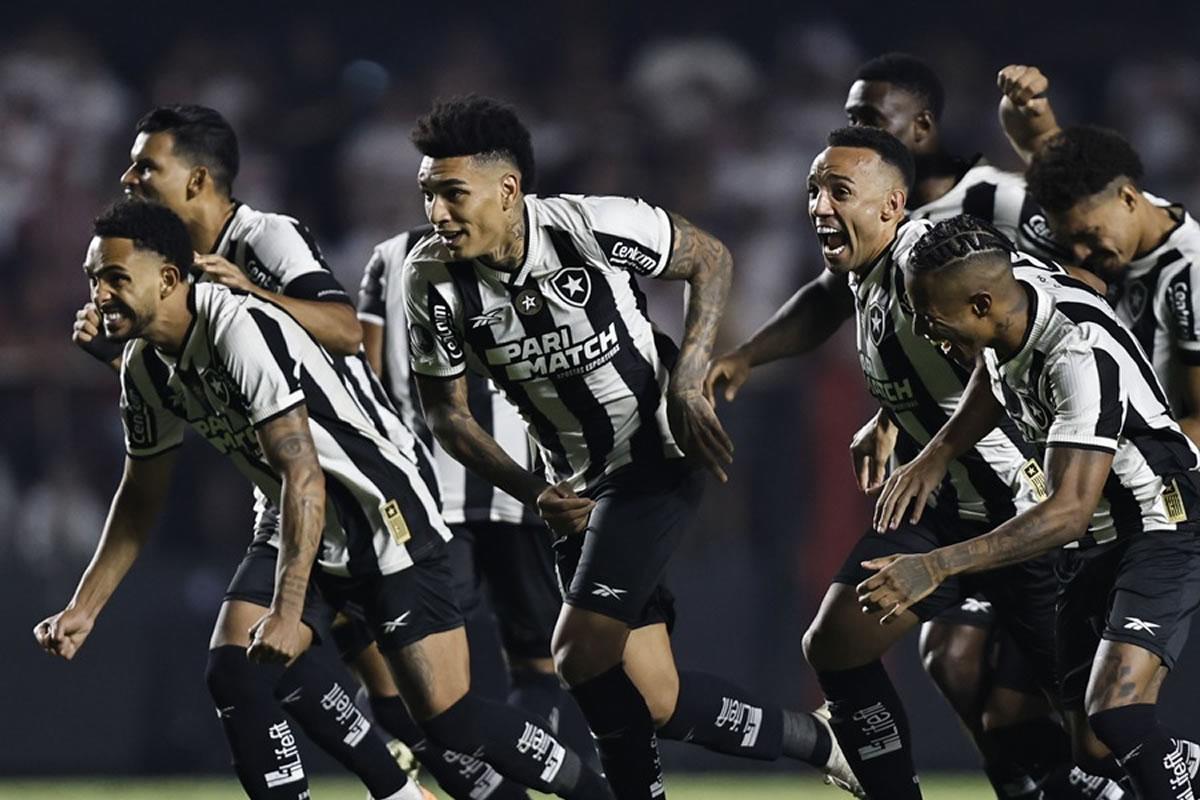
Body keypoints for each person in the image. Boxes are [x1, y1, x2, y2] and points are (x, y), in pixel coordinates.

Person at [35, 199, 613, 800]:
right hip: (290, 517)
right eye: (93, 278)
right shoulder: (143, 369)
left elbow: (303, 469)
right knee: (234, 671)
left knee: (450, 720)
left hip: (380, 516)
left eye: (115, 278)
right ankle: (400, 793)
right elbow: (139, 497)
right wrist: (86, 606)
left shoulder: (238, 327)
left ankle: (595, 792)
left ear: (170, 278)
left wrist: (288, 612)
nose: (98, 294)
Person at [401, 95, 859, 800]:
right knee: (657, 699)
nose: (438, 213)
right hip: (573, 490)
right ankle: (826, 741)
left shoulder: (592, 225)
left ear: (509, 189)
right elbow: (447, 415)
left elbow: (709, 258)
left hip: (653, 458)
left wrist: (690, 378)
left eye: (453, 194)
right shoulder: (429, 278)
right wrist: (534, 492)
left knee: (576, 653)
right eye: (429, 194)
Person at [706, 127, 1069, 800]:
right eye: (813, 190)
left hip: (1021, 514)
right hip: (941, 512)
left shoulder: (925, 267)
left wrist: (931, 450)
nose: (818, 205)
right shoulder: (863, 274)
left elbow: (1004, 358)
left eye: (839, 191)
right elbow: (825, 309)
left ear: (892, 205)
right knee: (837, 643)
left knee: (1091, 721)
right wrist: (752, 359)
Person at [842, 54, 1115, 799]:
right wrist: (892, 417)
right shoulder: (877, 252)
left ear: (920, 126)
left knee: (1093, 725)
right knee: (952, 659)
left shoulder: (995, 203)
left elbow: (1078, 267)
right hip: (963, 479)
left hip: (1044, 471)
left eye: (870, 118)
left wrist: (1042, 129)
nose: (854, 130)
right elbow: (954, 354)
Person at [866, 214, 1200, 799]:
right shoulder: (1011, 295)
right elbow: (995, 378)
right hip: (1092, 542)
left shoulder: (1077, 357)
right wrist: (939, 451)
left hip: (1160, 524)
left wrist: (937, 564)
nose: (925, 329)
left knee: (1116, 713)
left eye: (933, 318)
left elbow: (1068, 509)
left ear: (980, 303)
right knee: (1093, 751)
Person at [355, 223, 570, 799]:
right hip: (512, 488)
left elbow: (367, 377)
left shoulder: (390, 256)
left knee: (435, 667)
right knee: (525, 667)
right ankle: (504, 783)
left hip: (451, 495)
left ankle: (479, 782)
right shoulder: (541, 246)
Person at [999, 65, 1200, 445]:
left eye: (1088, 237)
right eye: (1067, 237)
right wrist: (1022, 99)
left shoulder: (1190, 273)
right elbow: (1036, 139)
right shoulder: (1091, 195)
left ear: (1128, 198)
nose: (1078, 252)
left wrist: (1111, 469)